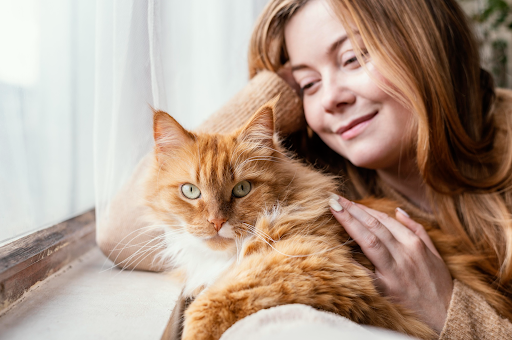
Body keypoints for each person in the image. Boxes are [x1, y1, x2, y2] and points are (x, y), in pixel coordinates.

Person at [97, 0, 512, 338]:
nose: (330, 99)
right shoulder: (307, 169)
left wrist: (452, 314)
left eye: (352, 58)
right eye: (308, 83)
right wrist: (272, 95)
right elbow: (120, 228)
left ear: (424, 44)